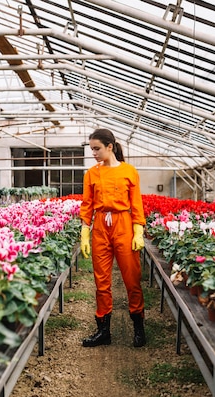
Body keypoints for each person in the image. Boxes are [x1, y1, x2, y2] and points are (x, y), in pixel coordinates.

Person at [79, 128, 146, 348]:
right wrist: (85, 233)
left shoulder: (129, 171)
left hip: (123, 225)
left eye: (97, 148)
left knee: (132, 279)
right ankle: (103, 331)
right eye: (91, 149)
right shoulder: (91, 173)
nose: (94, 153)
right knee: (101, 282)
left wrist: (138, 231)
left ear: (110, 146)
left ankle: (138, 328)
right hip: (100, 226)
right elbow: (87, 205)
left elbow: (136, 204)